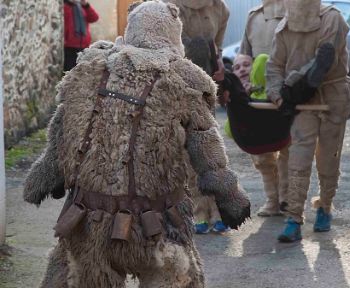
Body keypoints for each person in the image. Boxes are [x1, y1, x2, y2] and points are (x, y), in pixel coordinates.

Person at [23, 2, 250, 287]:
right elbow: (207, 145)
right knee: (174, 275)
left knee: (81, 274)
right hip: (159, 226)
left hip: (91, 223)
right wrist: (229, 195)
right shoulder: (184, 80)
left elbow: (63, 130)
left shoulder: (89, 71)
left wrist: (46, 177)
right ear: (173, 33)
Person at [266, 0, 350, 242]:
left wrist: (295, 83)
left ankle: (325, 206)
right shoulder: (284, 27)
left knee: (328, 158)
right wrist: (278, 95)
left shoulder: (332, 18)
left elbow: (327, 59)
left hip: (332, 97)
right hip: (301, 103)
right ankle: (293, 217)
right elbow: (274, 65)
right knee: (298, 158)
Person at [164, 0, 231, 234]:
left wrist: (219, 62)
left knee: (208, 147)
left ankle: (216, 207)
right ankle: (197, 210)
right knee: (184, 151)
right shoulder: (168, 4)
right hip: (177, 83)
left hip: (206, 85)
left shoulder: (220, 8)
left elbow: (216, 46)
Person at [238, 0, 289, 217]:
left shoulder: (295, 11)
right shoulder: (253, 16)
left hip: (287, 93)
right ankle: (272, 200)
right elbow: (244, 55)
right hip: (259, 96)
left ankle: (288, 202)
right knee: (263, 155)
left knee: (290, 151)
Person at [63, 0, 99, 71]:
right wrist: (69, 4)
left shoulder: (82, 7)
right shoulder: (65, 7)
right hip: (70, 47)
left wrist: (86, 5)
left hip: (84, 47)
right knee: (70, 71)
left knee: (83, 71)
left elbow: (94, 18)